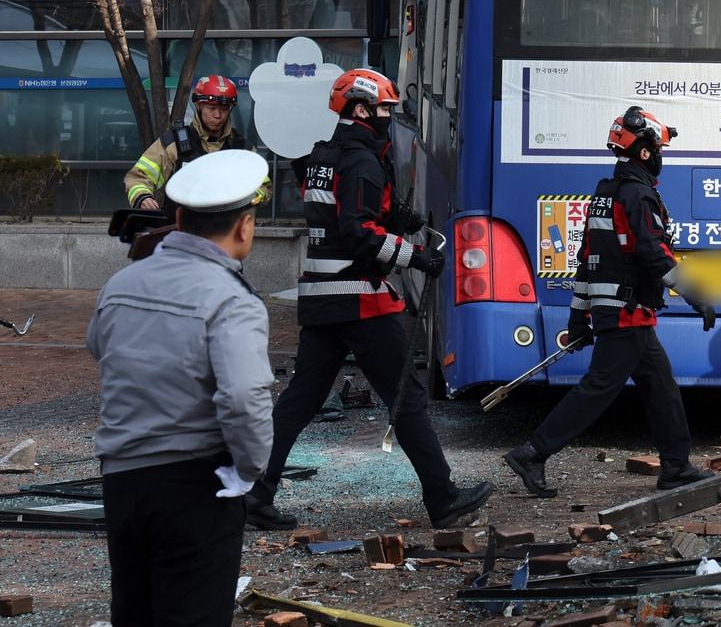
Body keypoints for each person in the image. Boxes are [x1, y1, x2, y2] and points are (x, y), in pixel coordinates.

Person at [245, 68, 493, 530]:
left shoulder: (326, 154)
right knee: (407, 398)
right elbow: (360, 232)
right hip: (360, 299)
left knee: (300, 400)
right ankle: (443, 500)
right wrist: (415, 257)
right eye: (383, 110)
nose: (387, 118)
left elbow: (350, 211)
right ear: (360, 109)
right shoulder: (361, 160)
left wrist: (405, 217)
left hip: (323, 298)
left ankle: (257, 495)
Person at [88, 149, 274, 625]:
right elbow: (243, 399)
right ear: (244, 226)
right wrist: (249, 471)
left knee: (135, 614)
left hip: (122, 483)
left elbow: (99, 346)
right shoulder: (233, 301)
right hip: (196, 485)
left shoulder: (121, 283)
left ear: (178, 218)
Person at [505, 107, 716, 497]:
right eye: (659, 148)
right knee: (599, 388)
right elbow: (655, 255)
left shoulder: (605, 195)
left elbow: (587, 260)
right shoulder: (640, 197)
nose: (662, 156)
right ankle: (533, 452)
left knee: (660, 386)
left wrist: (578, 318)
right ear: (647, 153)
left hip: (619, 312)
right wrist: (696, 295)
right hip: (627, 312)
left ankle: (676, 465)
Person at [124, 74, 269, 212]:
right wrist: (142, 197)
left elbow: (263, 187)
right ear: (199, 106)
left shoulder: (242, 149)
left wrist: (250, 198)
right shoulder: (174, 144)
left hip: (226, 234)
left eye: (224, 109)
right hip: (182, 230)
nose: (218, 115)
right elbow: (138, 178)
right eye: (211, 108)